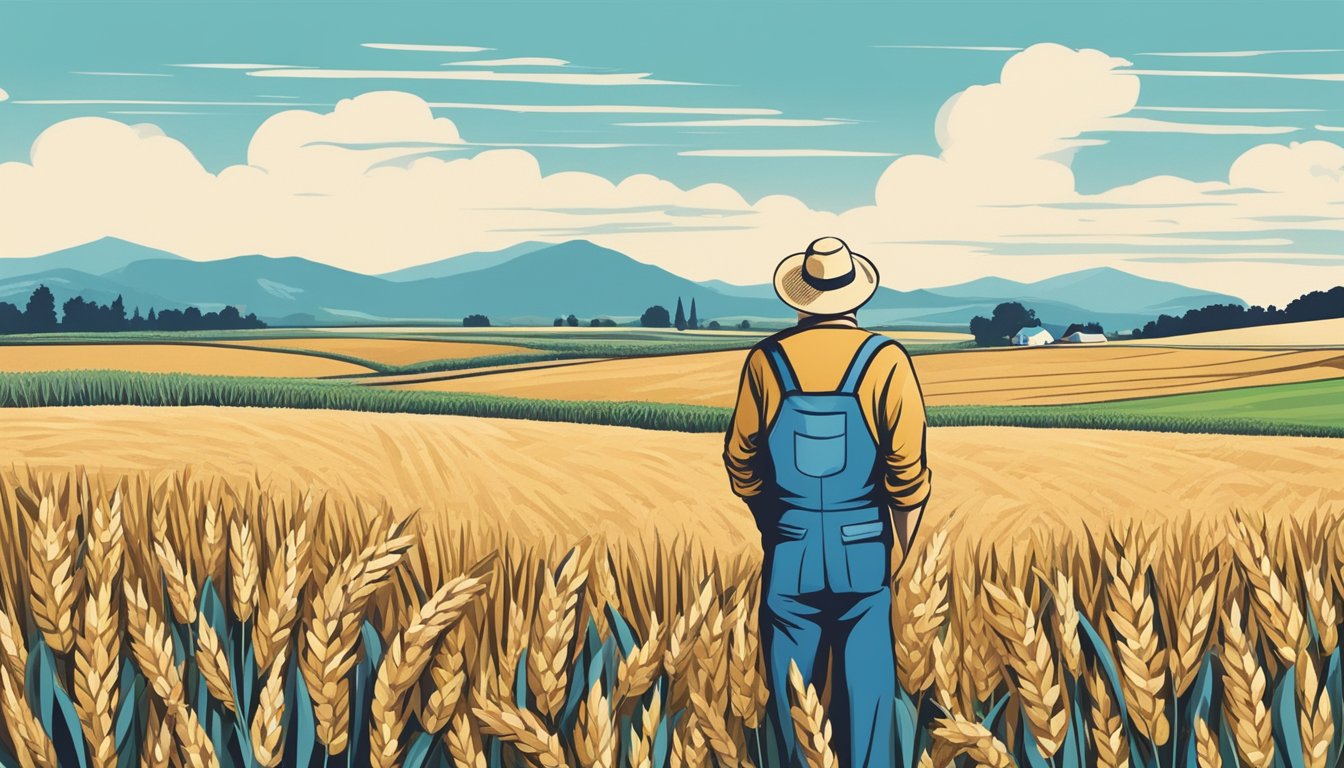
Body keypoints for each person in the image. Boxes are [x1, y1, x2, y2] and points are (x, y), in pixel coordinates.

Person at [723, 236, 932, 767]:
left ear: (800, 298)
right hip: (864, 551)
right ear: (855, 298)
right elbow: (906, 474)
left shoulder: (766, 361)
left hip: (789, 550)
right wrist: (902, 547)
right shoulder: (885, 360)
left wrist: (775, 523)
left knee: (794, 704)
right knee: (869, 701)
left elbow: (741, 461)